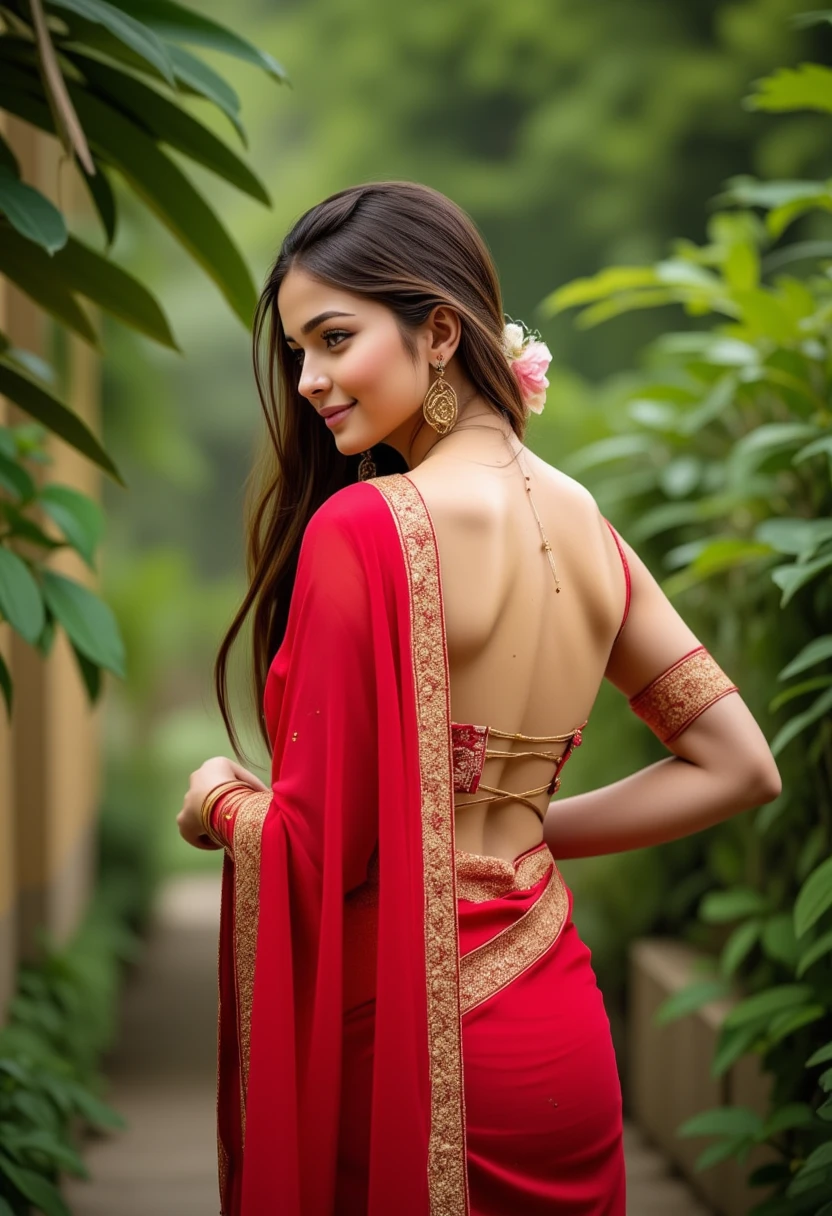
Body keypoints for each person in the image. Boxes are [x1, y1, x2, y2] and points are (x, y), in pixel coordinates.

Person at [176, 181, 782, 1216]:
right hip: (558, 1023)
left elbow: (321, 850)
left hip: (413, 1037)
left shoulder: (365, 528)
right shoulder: (585, 522)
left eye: (334, 337)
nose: (311, 379)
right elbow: (739, 765)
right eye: (295, 352)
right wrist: (524, 828)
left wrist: (219, 804)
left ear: (441, 330)